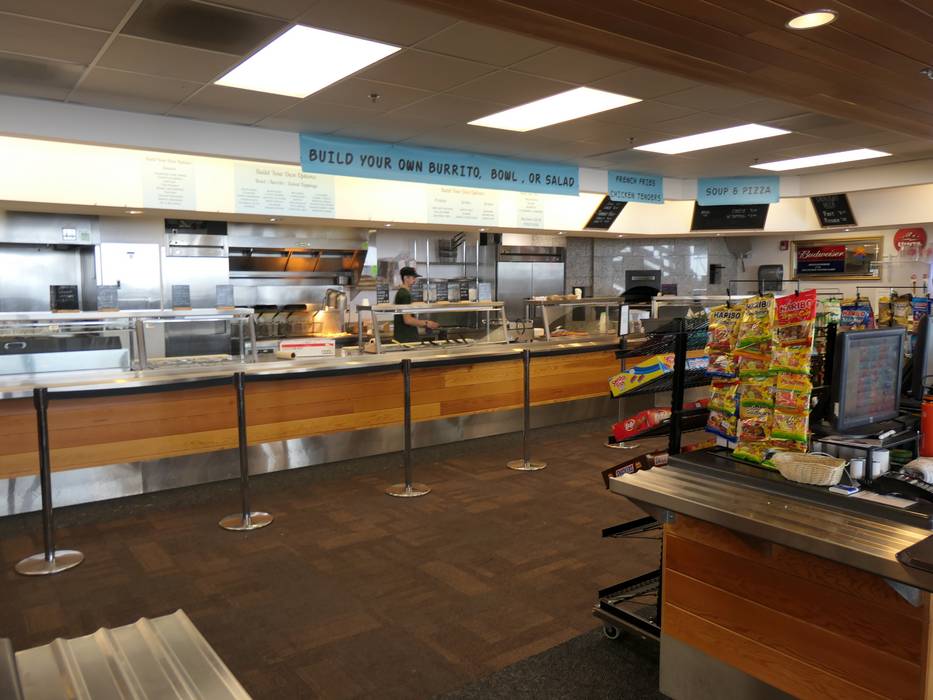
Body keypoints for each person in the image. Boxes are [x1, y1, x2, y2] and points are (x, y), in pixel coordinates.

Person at [393, 266, 439, 343]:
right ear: (406, 278)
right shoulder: (405, 294)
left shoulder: (402, 292)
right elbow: (407, 320)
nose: (415, 280)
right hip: (406, 338)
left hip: (403, 337)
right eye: (413, 278)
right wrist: (427, 323)